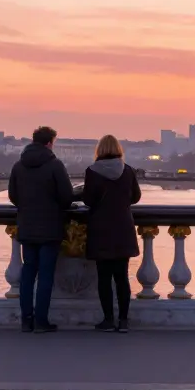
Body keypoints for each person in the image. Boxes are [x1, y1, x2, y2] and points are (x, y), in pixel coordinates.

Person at [8, 126, 74, 334]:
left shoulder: (19, 166)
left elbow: (13, 196)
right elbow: (66, 197)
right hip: (50, 227)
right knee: (45, 275)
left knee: (28, 274)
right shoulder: (55, 165)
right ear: (49, 143)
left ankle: (26, 320)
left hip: (27, 226)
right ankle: (41, 321)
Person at [82, 135, 140, 333]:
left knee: (104, 278)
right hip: (123, 228)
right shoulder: (128, 170)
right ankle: (123, 320)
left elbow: (88, 200)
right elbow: (136, 196)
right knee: (122, 277)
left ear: (99, 150)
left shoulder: (92, 171)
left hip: (101, 229)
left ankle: (108, 320)